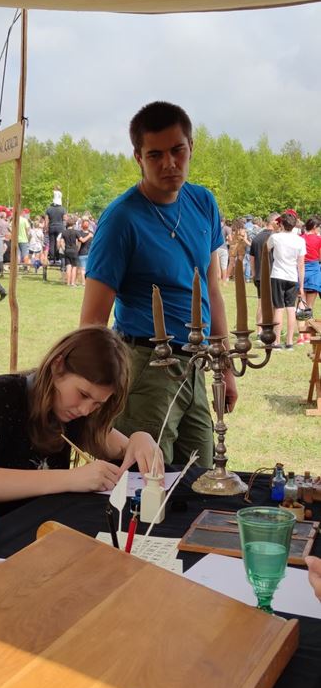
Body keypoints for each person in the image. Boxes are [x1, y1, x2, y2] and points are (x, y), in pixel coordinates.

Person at [80, 101, 236, 469]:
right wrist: (93, 392)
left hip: (197, 364)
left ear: (191, 147)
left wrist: (225, 365)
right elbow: (91, 322)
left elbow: (212, 291)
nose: (169, 163)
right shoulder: (121, 219)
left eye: (177, 150)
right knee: (144, 479)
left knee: (202, 474)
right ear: (138, 157)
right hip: (146, 366)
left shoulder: (203, 202)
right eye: (155, 154)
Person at [0, 326, 164, 517]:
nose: (86, 410)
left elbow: (124, 449)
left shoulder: (73, 411)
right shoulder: (2, 395)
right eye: (83, 394)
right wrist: (70, 479)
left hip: (30, 528)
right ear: (57, 366)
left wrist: (141, 439)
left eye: (98, 403)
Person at [267, 210, 306, 349]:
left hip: (277, 275)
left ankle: (276, 341)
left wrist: (275, 231)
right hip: (292, 276)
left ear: (282, 224)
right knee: (291, 308)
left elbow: (266, 248)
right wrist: (301, 285)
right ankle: (289, 342)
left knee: (278, 308)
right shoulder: (300, 240)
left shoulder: (276, 237)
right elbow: (301, 264)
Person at [249, 212, 279, 337]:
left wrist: (254, 273)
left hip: (259, 275)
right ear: (274, 222)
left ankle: (259, 331)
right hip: (273, 274)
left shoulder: (257, 238)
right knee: (274, 304)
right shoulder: (276, 237)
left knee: (261, 303)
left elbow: (251, 258)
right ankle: (271, 329)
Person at [298, 217, 321, 342]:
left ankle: (301, 335)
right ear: (314, 227)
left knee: (301, 303)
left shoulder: (300, 238)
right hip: (314, 272)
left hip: (300, 271)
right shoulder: (319, 239)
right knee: (310, 305)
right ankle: (307, 333)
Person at [59, 215, 82, 287]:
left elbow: (61, 242)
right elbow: (80, 240)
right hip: (74, 250)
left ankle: (68, 283)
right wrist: (78, 248)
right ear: (73, 224)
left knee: (68, 266)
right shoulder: (76, 232)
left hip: (67, 250)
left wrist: (64, 249)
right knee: (74, 267)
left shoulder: (64, 232)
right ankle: (73, 283)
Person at [45, 197, 65, 264]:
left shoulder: (48, 209)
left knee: (52, 243)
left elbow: (46, 220)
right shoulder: (62, 209)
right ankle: (57, 258)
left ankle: (51, 259)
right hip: (60, 227)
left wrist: (46, 228)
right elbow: (65, 218)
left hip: (51, 227)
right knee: (58, 242)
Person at [76, 217, 94, 287]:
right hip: (84, 253)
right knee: (84, 269)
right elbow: (82, 241)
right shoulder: (90, 234)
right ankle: (84, 282)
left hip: (86, 253)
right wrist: (89, 236)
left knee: (84, 269)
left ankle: (85, 282)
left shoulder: (80, 233)